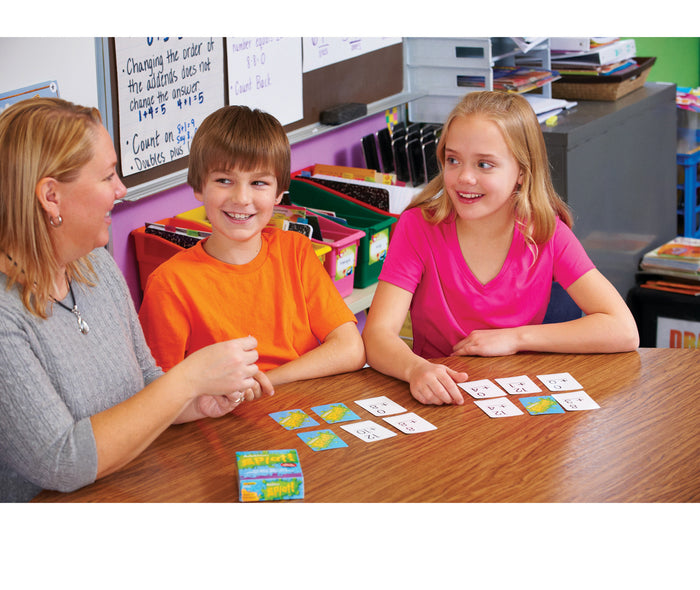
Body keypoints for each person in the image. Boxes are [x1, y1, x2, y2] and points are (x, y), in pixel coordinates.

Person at [0, 98, 274, 502]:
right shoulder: (7, 318)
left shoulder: (94, 264)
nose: (121, 190)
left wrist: (198, 401)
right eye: (107, 176)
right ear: (51, 196)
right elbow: (62, 460)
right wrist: (188, 379)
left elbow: (144, 383)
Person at [362, 90, 639, 406]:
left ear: (521, 171)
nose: (465, 177)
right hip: (440, 400)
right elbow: (377, 335)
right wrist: (415, 369)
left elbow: (623, 329)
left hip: (517, 398)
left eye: (484, 164)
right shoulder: (417, 227)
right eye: (453, 160)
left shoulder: (547, 234)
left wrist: (516, 338)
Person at [138, 105, 365, 385]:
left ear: (279, 193)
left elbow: (350, 349)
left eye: (258, 182)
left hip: (297, 403)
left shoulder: (295, 252)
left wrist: (265, 382)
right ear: (198, 187)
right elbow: (159, 393)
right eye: (224, 180)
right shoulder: (169, 284)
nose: (242, 198)